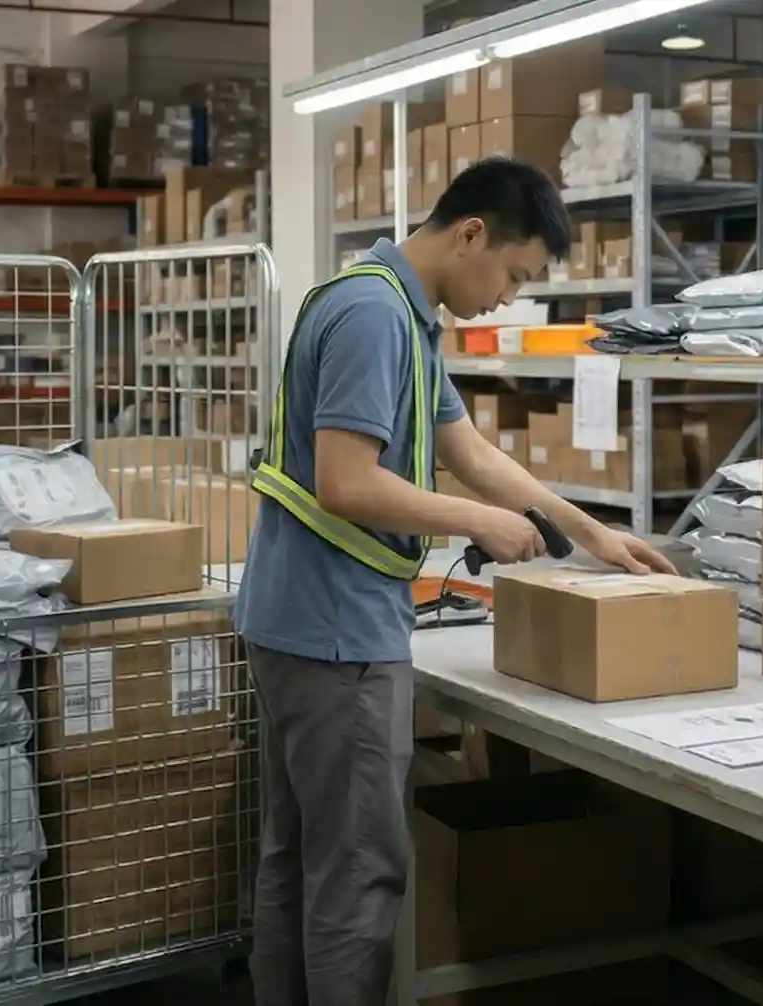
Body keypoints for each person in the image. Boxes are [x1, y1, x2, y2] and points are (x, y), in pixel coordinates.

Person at [234, 156, 676, 1006]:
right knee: (358, 873)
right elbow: (346, 481)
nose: (510, 296)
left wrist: (589, 532)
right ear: (471, 233)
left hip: (300, 621)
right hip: (337, 636)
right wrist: (477, 522)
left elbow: (464, 449)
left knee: (304, 859)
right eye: (514, 274)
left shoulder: (394, 307)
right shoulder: (372, 315)